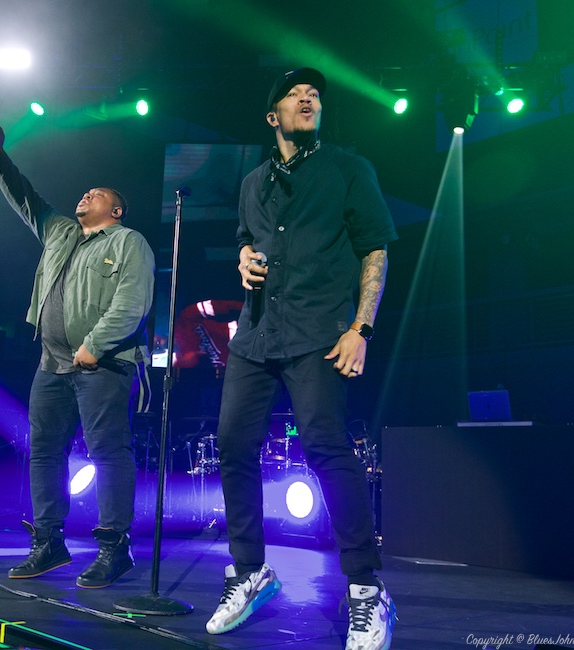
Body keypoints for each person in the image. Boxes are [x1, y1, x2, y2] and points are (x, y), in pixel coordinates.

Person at [205, 68, 399, 650]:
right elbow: (246, 239)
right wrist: (243, 257)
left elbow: (374, 249)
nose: (308, 97)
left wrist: (360, 328)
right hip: (259, 333)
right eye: (294, 94)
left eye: (314, 93)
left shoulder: (348, 169)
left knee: (325, 446)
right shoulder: (253, 182)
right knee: (233, 444)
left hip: (320, 332)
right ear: (274, 117)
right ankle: (249, 572)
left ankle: (367, 591)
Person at [0, 122, 155, 588]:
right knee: (44, 451)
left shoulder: (127, 242)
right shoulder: (58, 232)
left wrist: (93, 347)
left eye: (95, 194)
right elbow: (25, 197)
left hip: (103, 364)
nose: (84, 195)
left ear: (114, 209)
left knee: (108, 452)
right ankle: (49, 543)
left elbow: (131, 304)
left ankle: (115, 548)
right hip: (51, 363)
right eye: (83, 191)